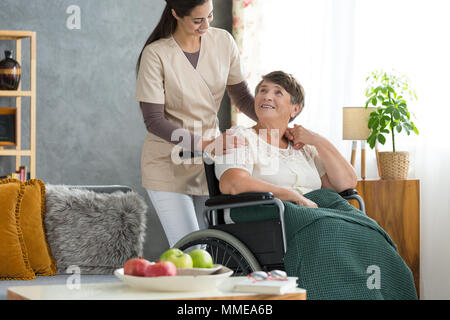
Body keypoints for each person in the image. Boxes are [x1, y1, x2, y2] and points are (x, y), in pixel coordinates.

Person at [135, 0, 257, 248]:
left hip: (207, 163)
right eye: (197, 20)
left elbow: (242, 97)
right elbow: (154, 120)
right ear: (176, 14)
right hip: (167, 163)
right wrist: (205, 143)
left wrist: (278, 122)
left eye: (210, 16)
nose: (206, 25)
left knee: (211, 249)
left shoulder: (222, 42)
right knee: (192, 250)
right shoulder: (156, 54)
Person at [214, 70, 358, 207]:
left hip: (313, 215)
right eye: (262, 90)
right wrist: (292, 195)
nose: (267, 96)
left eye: (278, 92)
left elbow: (346, 183)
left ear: (295, 109)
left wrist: (317, 140)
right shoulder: (238, 136)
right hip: (269, 217)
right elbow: (232, 183)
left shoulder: (304, 147)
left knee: (366, 229)